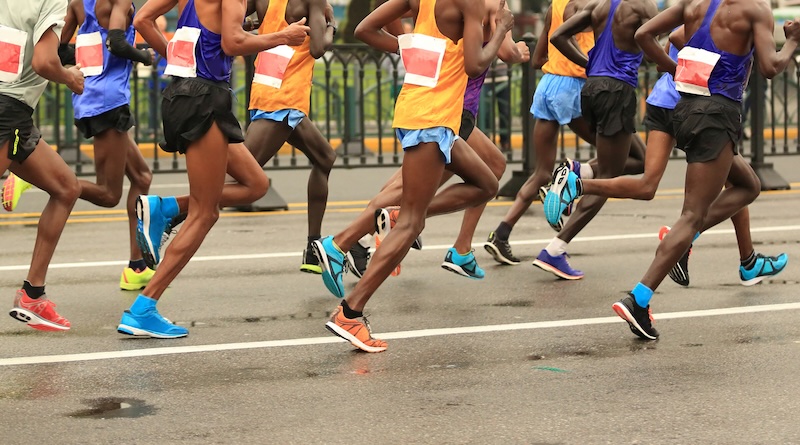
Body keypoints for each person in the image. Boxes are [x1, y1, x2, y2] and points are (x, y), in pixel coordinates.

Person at [312, 0, 512, 352]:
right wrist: (503, 29)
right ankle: (350, 312)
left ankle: (396, 215)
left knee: (486, 183)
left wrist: (413, 50)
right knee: (410, 226)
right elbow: (475, 63)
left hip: (427, 115)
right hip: (431, 120)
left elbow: (364, 30)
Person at [608, 0, 800, 339]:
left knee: (747, 186)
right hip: (717, 115)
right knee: (692, 215)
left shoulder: (694, 3)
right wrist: (794, 42)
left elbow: (644, 34)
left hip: (686, 109)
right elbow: (771, 67)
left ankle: (684, 239)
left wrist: (676, 71)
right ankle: (639, 298)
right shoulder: (756, 10)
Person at [119, 0, 308, 338]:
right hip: (205, 98)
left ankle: (167, 207)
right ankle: (143, 309)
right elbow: (232, 44)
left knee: (255, 184)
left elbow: (143, 19)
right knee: (205, 214)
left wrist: (179, 61)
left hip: (187, 94)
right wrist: (284, 35)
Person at [546, 27, 787, 287]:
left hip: (664, 101)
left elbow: (668, 37)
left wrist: (675, 65)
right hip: (695, 109)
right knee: (741, 187)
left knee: (654, 184)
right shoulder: (721, 14)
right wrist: (690, 70)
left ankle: (577, 183)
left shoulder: (706, 11)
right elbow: (678, 36)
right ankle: (682, 241)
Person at [343, 0, 529, 281]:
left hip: (440, 104)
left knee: (492, 165)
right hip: (450, 107)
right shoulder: (488, 5)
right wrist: (519, 51)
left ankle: (460, 249)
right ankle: (353, 240)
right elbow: (504, 53)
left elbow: (394, 15)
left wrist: (408, 46)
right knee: (407, 189)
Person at [483, 0, 647, 266]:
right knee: (623, 160)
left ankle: (501, 233)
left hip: (548, 86)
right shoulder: (587, 5)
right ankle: (571, 177)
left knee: (541, 172)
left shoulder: (555, 6)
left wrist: (559, 65)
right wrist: (589, 64)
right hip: (573, 89)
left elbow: (537, 60)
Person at [528, 0, 657, 280]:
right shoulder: (644, 7)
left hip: (592, 88)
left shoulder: (600, 7)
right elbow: (651, 52)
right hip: (617, 91)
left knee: (641, 161)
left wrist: (591, 63)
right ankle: (555, 249)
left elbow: (557, 35)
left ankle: (578, 171)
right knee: (609, 179)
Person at [47, 0, 157, 292]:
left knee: (142, 177)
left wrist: (86, 56)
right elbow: (118, 43)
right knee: (109, 194)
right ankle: (35, 177)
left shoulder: (77, 4)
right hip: (109, 101)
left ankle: (137, 267)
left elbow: (58, 50)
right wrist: (145, 56)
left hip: (88, 96)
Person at [1, 0, 84, 330]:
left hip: (15, 112)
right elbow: (44, 61)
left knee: (66, 188)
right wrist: (70, 78)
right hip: (7, 107)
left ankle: (32, 295)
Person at [244, 0, 337, 274]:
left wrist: (255, 26)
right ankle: (170, 211)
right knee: (239, 177)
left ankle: (312, 247)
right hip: (285, 98)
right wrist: (330, 24)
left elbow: (236, 20)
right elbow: (319, 48)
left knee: (325, 157)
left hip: (268, 88)